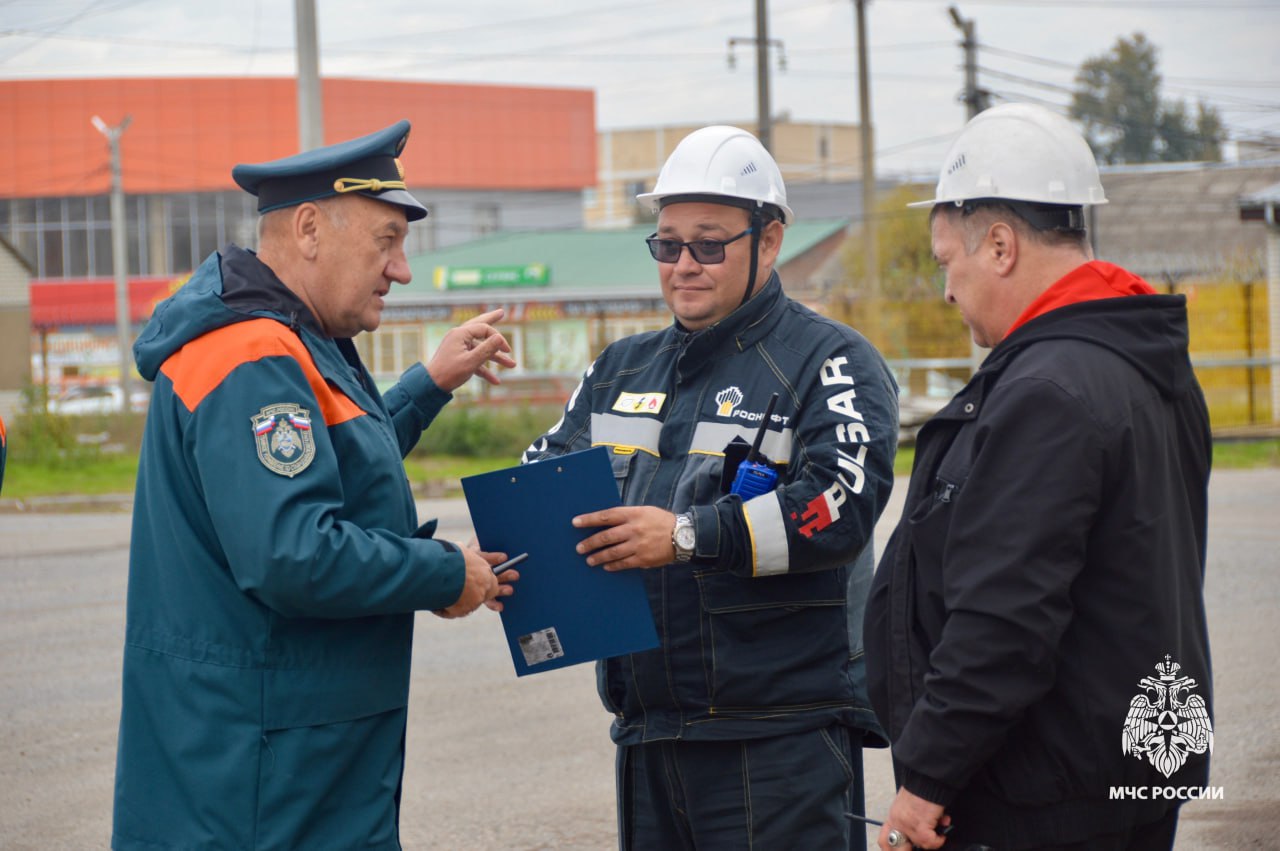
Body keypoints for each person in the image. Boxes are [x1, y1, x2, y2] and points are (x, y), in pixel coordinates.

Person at [112, 121, 520, 850]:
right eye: (386, 240)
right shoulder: (253, 353)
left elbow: (329, 467)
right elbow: (292, 551)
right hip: (263, 782)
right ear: (308, 229)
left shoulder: (295, 339)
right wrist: (444, 571)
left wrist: (428, 383)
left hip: (284, 762)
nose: (401, 270)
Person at [523, 125, 899, 849]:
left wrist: (690, 534)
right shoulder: (620, 368)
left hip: (779, 746)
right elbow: (545, 474)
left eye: (709, 244)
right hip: (648, 740)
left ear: (772, 238)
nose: (684, 265)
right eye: (667, 245)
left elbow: (838, 508)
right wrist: (505, 545)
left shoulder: (832, 362)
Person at [864, 103, 1213, 851]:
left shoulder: (1046, 391)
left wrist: (925, 778)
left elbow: (1004, 620)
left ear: (998, 246)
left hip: (1044, 794)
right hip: (1126, 769)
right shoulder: (1146, 364)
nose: (947, 291)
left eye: (945, 261)